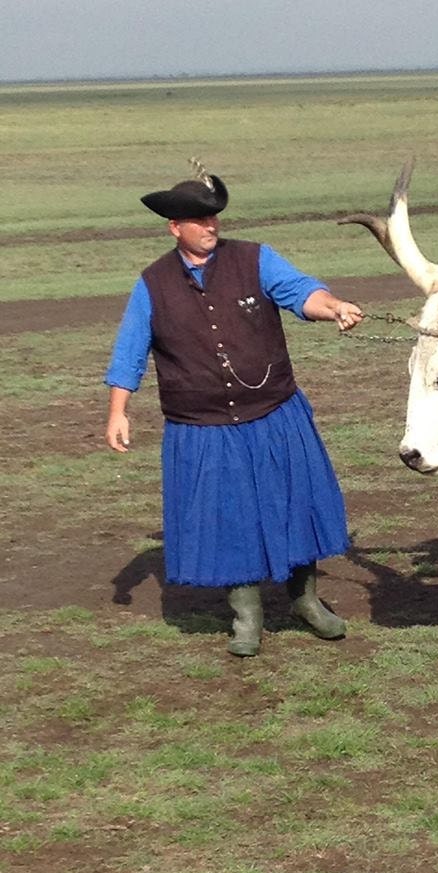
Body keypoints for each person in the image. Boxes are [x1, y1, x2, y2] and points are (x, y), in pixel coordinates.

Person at [104, 162, 363, 657]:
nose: (211, 228)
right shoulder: (152, 284)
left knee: (296, 506)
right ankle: (247, 619)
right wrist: (118, 410)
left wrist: (333, 306)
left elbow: (301, 291)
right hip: (202, 427)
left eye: (215, 219)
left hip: (273, 412)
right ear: (174, 227)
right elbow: (129, 350)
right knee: (229, 518)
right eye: (199, 221)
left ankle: (306, 602)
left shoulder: (255, 259)